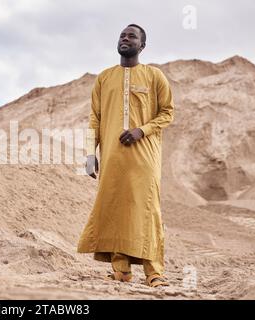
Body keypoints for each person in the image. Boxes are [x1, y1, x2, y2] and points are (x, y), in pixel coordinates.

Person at [77, 24, 174, 288]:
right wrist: (89, 152)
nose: (125, 38)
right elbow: (94, 118)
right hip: (111, 156)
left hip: (144, 156)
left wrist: (141, 131)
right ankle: (121, 270)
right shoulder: (104, 78)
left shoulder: (154, 76)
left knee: (147, 209)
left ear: (142, 46)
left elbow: (167, 113)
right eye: (122, 35)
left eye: (132, 36)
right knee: (115, 208)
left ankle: (154, 272)